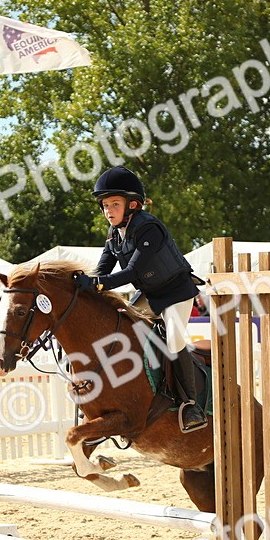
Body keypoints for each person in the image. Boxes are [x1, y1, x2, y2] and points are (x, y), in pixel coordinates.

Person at [75, 167, 206, 432]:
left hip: (176, 292)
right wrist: (82, 285)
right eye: (104, 206)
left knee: (175, 339)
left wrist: (97, 284)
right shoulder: (114, 236)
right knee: (122, 326)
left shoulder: (149, 228)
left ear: (132, 205)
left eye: (114, 204)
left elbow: (132, 272)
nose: (108, 211)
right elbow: (102, 271)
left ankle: (192, 405)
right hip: (150, 294)